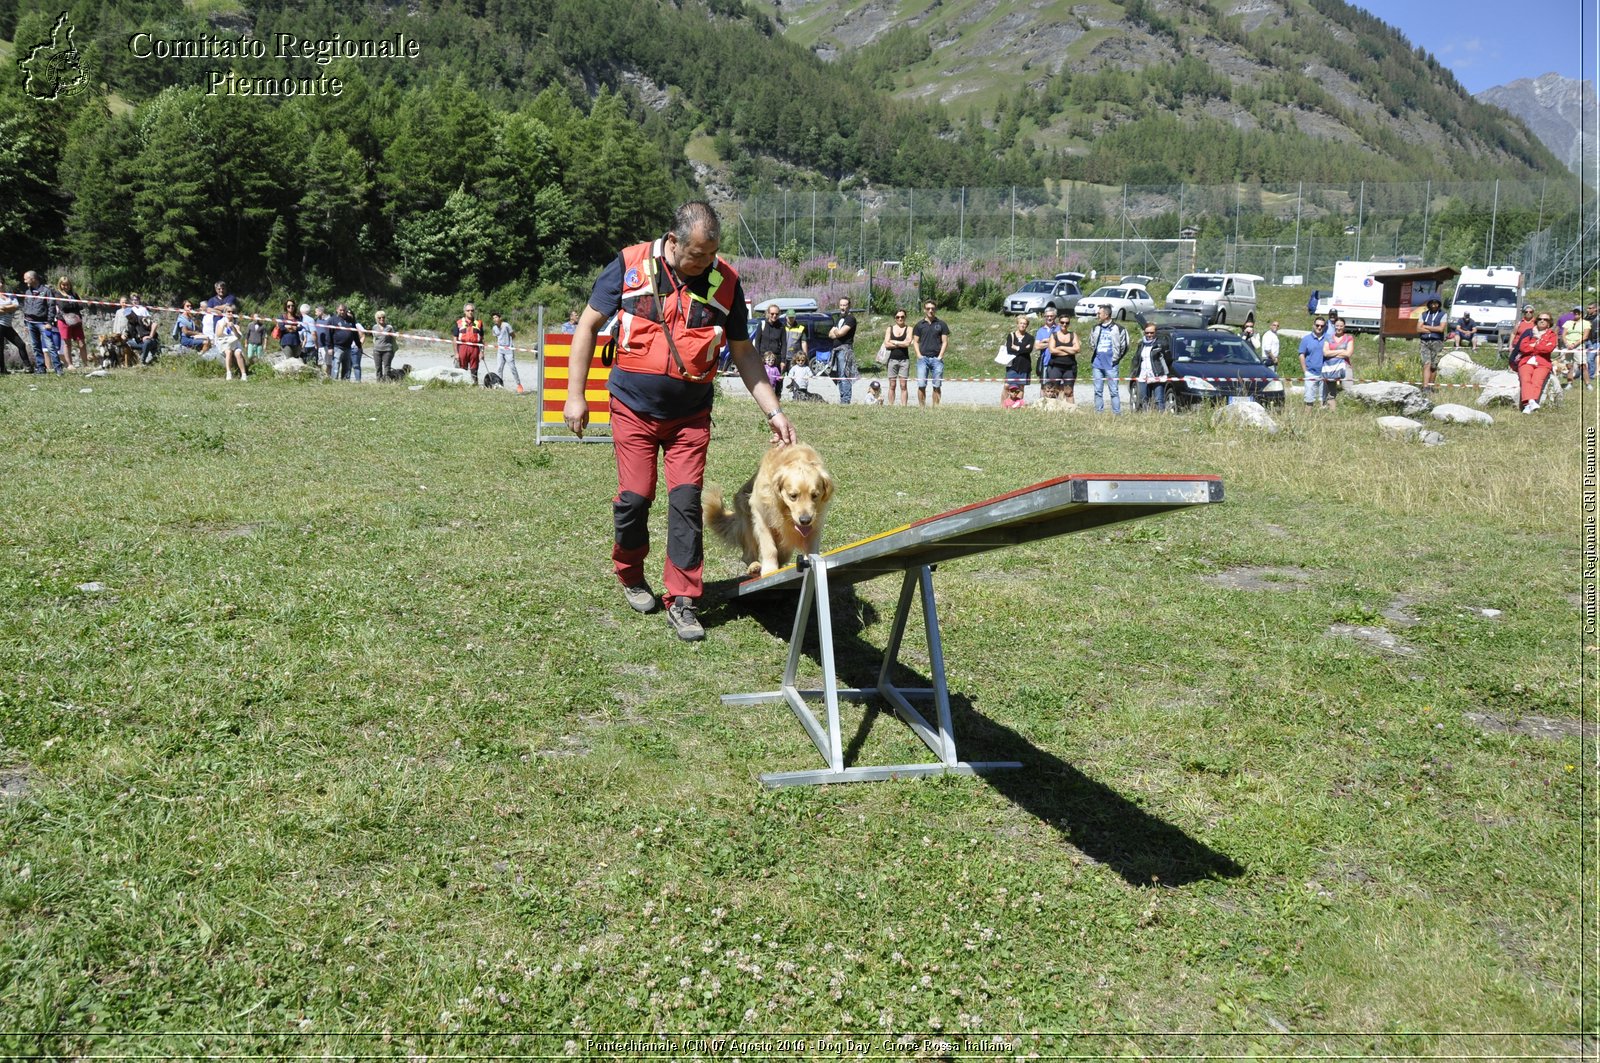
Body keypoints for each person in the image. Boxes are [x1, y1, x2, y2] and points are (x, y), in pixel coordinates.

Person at [561, 200, 795, 642]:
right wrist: (576, 396)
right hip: (632, 408)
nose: (708, 262)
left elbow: (743, 352)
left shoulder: (726, 282)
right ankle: (630, 573)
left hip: (690, 416)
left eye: (713, 253)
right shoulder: (628, 266)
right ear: (673, 243)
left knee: (686, 501)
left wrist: (774, 411)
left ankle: (683, 599)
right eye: (699, 255)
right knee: (635, 496)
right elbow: (588, 326)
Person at [1511, 311, 1558, 413]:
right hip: (1526, 361)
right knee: (1525, 379)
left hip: (1543, 362)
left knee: (1537, 381)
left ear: (1549, 323)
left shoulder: (1552, 335)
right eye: (1540, 319)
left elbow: (1548, 349)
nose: (1542, 321)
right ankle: (1529, 403)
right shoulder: (1529, 332)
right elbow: (1523, 347)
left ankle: (1529, 404)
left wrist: (1533, 346)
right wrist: (1539, 346)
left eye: (1545, 319)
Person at [20, 271, 62, 374]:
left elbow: (51, 307)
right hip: (30, 323)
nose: (25, 281)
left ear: (33, 279)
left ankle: (58, 368)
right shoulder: (27, 292)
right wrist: (25, 323)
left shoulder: (46, 291)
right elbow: (25, 307)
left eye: (26, 279)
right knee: (35, 347)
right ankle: (41, 368)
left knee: (50, 346)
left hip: (43, 323)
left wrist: (49, 322)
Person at [1087, 305, 1126, 414]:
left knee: (1114, 391)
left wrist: (1116, 358)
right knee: (1098, 391)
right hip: (1097, 365)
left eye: (1099, 313)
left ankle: (1117, 414)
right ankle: (1099, 412)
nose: (1097, 315)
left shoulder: (1118, 329)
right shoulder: (1096, 328)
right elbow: (1091, 343)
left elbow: (1124, 346)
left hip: (1111, 365)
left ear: (1106, 315)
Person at [911, 299, 949, 407]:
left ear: (935, 310)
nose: (930, 310)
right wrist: (919, 355)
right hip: (923, 360)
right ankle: (922, 408)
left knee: (937, 385)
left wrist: (940, 356)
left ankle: (935, 408)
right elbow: (915, 341)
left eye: (932, 308)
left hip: (937, 359)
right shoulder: (919, 325)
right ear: (924, 310)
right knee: (921, 384)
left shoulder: (942, 324)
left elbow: (945, 342)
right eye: (928, 308)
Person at [1131, 322, 1170, 412]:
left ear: (1155, 333)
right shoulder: (1141, 344)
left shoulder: (1161, 344)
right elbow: (1137, 358)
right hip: (1143, 375)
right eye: (1147, 333)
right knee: (1143, 398)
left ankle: (1161, 415)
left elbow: (1168, 358)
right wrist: (1135, 371)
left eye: (1151, 333)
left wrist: (1162, 370)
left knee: (1158, 399)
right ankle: (1146, 415)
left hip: (1157, 375)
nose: (1149, 335)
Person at [828, 295, 858, 404]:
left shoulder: (851, 319)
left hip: (845, 351)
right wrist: (837, 332)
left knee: (844, 376)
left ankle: (845, 401)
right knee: (837, 375)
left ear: (849, 306)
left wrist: (836, 331)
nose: (842, 307)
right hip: (836, 350)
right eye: (841, 305)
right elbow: (830, 334)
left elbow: (840, 333)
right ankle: (842, 399)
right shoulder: (839, 319)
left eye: (845, 305)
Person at [1320, 317, 1354, 409]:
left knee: (1349, 389)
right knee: (1330, 393)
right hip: (1331, 367)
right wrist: (1342, 351)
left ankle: (1349, 410)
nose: (1339, 328)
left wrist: (1332, 353)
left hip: (1345, 366)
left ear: (1344, 326)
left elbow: (1348, 354)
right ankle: (1332, 412)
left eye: (1341, 326)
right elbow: (1325, 353)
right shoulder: (1328, 337)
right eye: (1337, 326)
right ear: (1334, 326)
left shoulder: (1349, 338)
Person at [1043, 319, 1080, 405]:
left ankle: (1070, 410)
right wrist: (1069, 351)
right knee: (1054, 391)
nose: (1064, 324)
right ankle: (1053, 409)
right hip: (1055, 367)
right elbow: (1052, 350)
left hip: (1070, 367)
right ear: (1059, 323)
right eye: (1062, 322)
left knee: (1069, 392)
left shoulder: (1073, 335)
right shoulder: (1054, 335)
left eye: (1067, 323)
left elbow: (1077, 349)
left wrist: (1061, 348)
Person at [54, 276, 88, 371]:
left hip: (76, 321)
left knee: (82, 343)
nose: (65, 286)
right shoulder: (57, 294)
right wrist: (74, 305)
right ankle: (69, 364)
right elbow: (63, 306)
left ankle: (85, 364)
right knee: (67, 343)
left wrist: (72, 305)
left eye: (67, 284)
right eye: (63, 284)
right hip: (64, 321)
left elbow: (81, 305)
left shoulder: (74, 294)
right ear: (60, 285)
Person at [882, 309, 912, 405]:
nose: (900, 318)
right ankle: (891, 405)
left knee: (903, 385)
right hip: (892, 360)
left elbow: (907, 343)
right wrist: (901, 343)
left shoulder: (909, 329)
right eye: (898, 317)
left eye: (902, 317)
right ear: (895, 318)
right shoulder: (889, 329)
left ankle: (904, 406)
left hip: (904, 360)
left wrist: (894, 342)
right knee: (892, 385)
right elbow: (886, 344)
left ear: (905, 317)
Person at [0, 278, 30, 373]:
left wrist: (4, 308)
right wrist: (9, 308)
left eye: (1, 282)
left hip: (8, 326)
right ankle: (3, 370)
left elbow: (16, 306)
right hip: (0, 325)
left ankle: (28, 367)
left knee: (21, 344)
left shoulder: (10, 295)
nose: (0, 284)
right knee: (0, 348)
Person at [121, 292, 160, 364]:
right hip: (139, 342)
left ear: (133, 315)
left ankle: (143, 361)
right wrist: (123, 336)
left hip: (151, 341)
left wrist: (150, 336)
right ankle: (128, 361)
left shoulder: (142, 319)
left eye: (131, 316)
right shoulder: (130, 324)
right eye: (128, 317)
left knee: (146, 342)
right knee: (125, 343)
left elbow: (154, 324)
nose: (130, 318)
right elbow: (126, 333)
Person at [1418, 296, 1447, 390]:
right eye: (1432, 303)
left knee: (1434, 366)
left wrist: (1426, 327)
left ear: (1439, 304)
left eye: (1436, 303)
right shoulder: (1423, 314)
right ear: (1429, 304)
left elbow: (1441, 328)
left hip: (1437, 342)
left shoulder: (1443, 314)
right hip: (1424, 342)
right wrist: (1434, 329)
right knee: (1426, 364)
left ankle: (1431, 386)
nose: (1434, 305)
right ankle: (1425, 387)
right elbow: (1418, 328)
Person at [1003, 314, 1034, 400]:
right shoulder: (1011, 336)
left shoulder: (1030, 338)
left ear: (1027, 325)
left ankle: (1017, 405)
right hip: (1012, 365)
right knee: (1007, 386)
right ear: (1017, 324)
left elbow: (1029, 350)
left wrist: (1016, 347)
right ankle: (1004, 405)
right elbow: (1009, 350)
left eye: (1024, 323)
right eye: (1021, 323)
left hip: (1024, 365)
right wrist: (1023, 348)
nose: (1022, 325)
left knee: (1020, 387)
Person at [454, 301, 486, 386]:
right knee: (462, 368)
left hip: (475, 348)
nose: (470, 312)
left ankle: (474, 385)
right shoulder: (459, 322)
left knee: (474, 369)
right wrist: (456, 353)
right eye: (468, 310)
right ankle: (461, 385)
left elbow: (482, 339)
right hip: (462, 347)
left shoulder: (479, 323)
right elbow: (455, 338)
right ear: (464, 311)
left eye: (472, 310)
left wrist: (482, 352)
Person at [1299, 316, 1328, 407]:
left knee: (1323, 400)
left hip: (1324, 373)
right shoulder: (1306, 339)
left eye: (1322, 326)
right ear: (1313, 325)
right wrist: (1305, 371)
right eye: (1317, 325)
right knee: (1309, 399)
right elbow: (1301, 354)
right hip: (1310, 373)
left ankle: (1321, 419)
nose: (1319, 327)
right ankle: (1307, 419)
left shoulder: (1328, 339)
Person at [213, 305, 248, 381]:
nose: (230, 313)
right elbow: (218, 334)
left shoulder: (236, 324)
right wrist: (223, 326)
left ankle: (244, 374)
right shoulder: (220, 322)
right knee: (228, 352)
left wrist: (233, 328)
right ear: (225, 313)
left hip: (234, 344)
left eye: (232, 312)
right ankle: (229, 373)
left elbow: (239, 337)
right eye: (228, 312)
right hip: (224, 344)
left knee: (238, 353)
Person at [492, 311, 523, 393]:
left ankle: (519, 384)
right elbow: (497, 337)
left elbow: (513, 335)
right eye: (493, 318)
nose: (495, 319)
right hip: (500, 350)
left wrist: (509, 344)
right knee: (499, 368)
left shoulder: (506, 325)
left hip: (508, 350)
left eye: (496, 317)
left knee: (512, 367)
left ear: (500, 318)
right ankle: (500, 384)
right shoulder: (494, 328)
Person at [752, 305, 787, 377]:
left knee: (777, 383)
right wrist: (758, 359)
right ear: (768, 313)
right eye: (772, 313)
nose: (774, 316)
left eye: (777, 314)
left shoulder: (781, 326)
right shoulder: (762, 324)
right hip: (763, 359)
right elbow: (757, 343)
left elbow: (784, 344)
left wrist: (783, 361)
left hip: (776, 359)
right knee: (763, 383)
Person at [328, 304, 361, 380]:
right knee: (336, 365)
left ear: (346, 310)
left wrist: (358, 345)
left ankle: (345, 381)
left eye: (344, 310)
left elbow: (355, 333)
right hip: (337, 347)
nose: (342, 312)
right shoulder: (332, 320)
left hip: (348, 348)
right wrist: (330, 347)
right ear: (337, 310)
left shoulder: (351, 319)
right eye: (340, 310)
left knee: (347, 366)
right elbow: (328, 334)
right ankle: (334, 380)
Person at [1560, 307, 1591, 386]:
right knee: (1569, 365)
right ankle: (1569, 383)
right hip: (1568, 346)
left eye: (1578, 312)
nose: (1576, 314)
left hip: (1579, 346)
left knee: (1582, 365)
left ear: (1582, 313)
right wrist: (1567, 344)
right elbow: (1563, 334)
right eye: (1575, 312)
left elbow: (1585, 336)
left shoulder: (1586, 323)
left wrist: (1574, 344)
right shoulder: (1568, 322)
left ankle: (1588, 384)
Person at [370, 310, 399, 380]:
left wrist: (396, 334)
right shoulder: (374, 327)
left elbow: (394, 336)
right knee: (378, 368)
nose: (382, 319)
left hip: (387, 350)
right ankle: (379, 381)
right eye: (379, 318)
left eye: (383, 317)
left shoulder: (389, 327)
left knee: (387, 368)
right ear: (376, 318)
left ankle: (387, 382)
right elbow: (374, 337)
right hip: (377, 350)